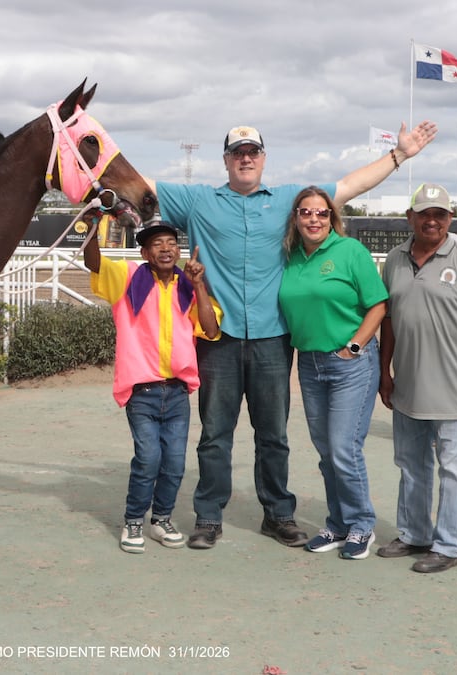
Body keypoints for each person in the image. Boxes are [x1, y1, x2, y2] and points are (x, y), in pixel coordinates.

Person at [148, 121, 437, 550]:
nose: (246, 158)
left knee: (273, 436)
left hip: (272, 340)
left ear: (263, 158)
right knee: (214, 435)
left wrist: (401, 155)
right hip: (217, 338)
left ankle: (278, 514)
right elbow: (135, 181)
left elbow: (349, 185)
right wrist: (83, 142)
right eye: (237, 152)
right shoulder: (197, 200)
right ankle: (209, 517)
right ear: (226, 160)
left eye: (253, 152)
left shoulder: (290, 201)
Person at [377, 183, 457, 573]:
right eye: (424, 213)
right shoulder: (395, 260)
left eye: (441, 214)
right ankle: (415, 534)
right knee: (411, 465)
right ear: (410, 217)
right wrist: (385, 372)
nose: (432, 221)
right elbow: (390, 322)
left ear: (450, 219)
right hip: (409, 389)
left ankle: (448, 546)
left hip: (456, 390)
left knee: (453, 469)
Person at [85, 221, 221, 553]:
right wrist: (90, 225)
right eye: (156, 244)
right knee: (148, 459)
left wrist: (200, 285)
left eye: (171, 243)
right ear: (145, 253)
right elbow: (94, 263)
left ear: (179, 251)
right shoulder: (129, 277)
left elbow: (211, 329)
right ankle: (134, 521)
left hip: (177, 393)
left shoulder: (188, 286)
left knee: (174, 463)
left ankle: (160, 519)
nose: (165, 249)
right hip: (142, 393)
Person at [278, 187, 388, 560]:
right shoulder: (290, 257)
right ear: (296, 217)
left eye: (321, 213)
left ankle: (361, 525)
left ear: (332, 218)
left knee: (344, 448)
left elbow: (378, 305)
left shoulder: (349, 251)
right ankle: (338, 523)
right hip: (309, 363)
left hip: (350, 363)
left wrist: (354, 346)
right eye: (306, 212)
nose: (314, 219)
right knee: (327, 451)